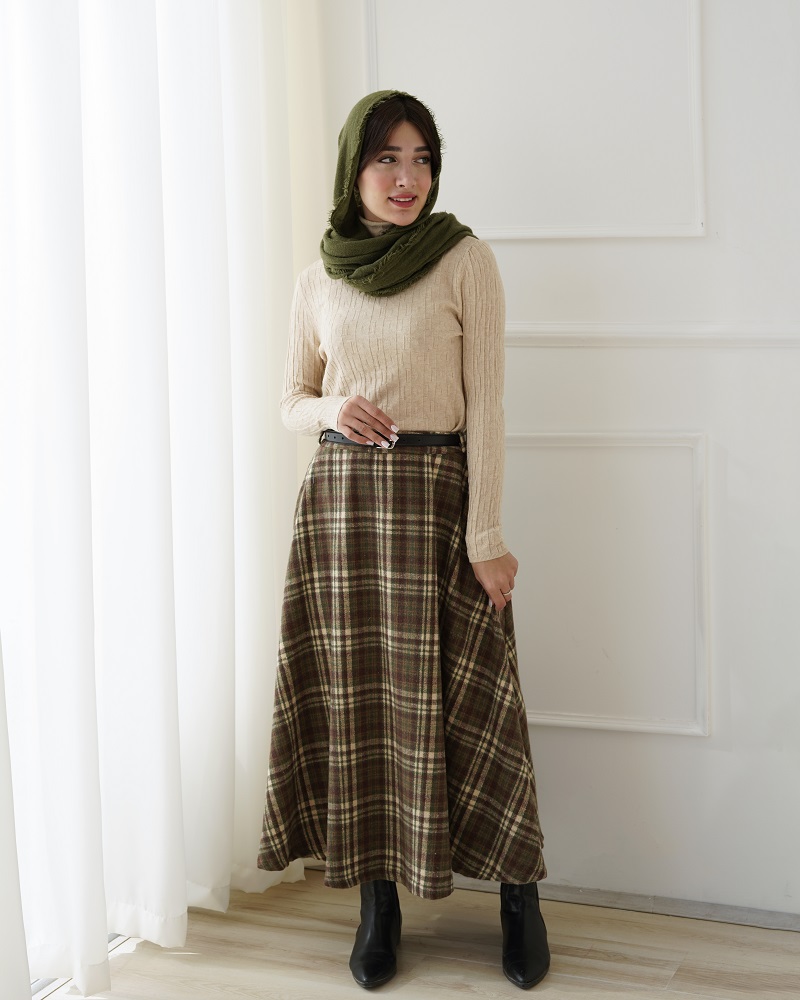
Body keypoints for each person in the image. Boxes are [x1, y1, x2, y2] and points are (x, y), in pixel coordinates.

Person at [258, 90, 549, 991]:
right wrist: (329, 409)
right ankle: (376, 902)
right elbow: (289, 400)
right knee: (362, 706)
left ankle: (519, 896)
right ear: (355, 167)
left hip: (438, 501)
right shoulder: (319, 276)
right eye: (387, 157)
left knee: (480, 702)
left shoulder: (465, 260)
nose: (406, 177)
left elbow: (488, 406)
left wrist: (486, 533)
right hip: (342, 508)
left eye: (422, 158)